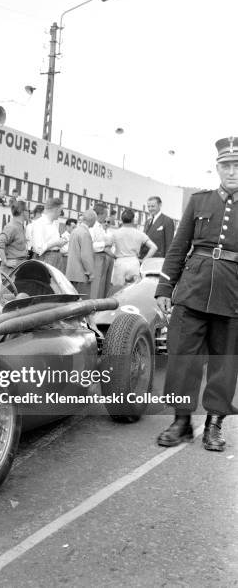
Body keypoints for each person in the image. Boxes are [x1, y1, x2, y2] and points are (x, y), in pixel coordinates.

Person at [155, 136, 238, 452]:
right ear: (217, 168)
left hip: (233, 295)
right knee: (182, 359)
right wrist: (166, 287)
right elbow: (178, 247)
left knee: (225, 363)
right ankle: (181, 421)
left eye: (237, 166)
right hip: (192, 290)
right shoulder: (199, 201)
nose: (232, 172)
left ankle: (214, 425)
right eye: (226, 166)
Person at [108, 209, 157, 292]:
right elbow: (154, 247)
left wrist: (114, 256)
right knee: (133, 290)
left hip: (120, 262)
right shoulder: (139, 233)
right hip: (134, 262)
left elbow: (106, 248)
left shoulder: (115, 233)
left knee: (116, 290)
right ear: (133, 220)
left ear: (121, 219)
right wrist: (144, 260)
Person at [26, 197, 67, 270]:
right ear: (55, 209)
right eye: (60, 210)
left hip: (55, 258)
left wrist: (59, 242)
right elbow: (38, 249)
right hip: (46, 259)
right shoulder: (39, 224)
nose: (60, 213)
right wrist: (56, 243)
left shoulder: (53, 223)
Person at [65, 210, 96, 298]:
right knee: (83, 304)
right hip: (81, 276)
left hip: (71, 273)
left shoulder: (75, 231)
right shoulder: (85, 233)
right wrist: (91, 273)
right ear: (92, 220)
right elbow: (86, 256)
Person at [0, 200, 28, 276]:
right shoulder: (12, 227)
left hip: (18, 268)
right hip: (11, 270)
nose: (29, 213)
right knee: (9, 288)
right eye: (28, 210)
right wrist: (5, 261)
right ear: (23, 212)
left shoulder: (20, 226)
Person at [89, 203, 114, 298]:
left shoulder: (99, 227)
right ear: (101, 214)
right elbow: (90, 245)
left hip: (102, 257)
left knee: (102, 286)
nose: (106, 217)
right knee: (96, 285)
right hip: (96, 258)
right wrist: (105, 244)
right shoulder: (93, 227)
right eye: (105, 214)